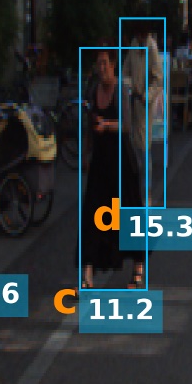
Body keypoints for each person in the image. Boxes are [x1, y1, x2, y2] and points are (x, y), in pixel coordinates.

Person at [81, 49, 140, 289]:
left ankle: (138, 268)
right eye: (99, 64)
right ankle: (87, 273)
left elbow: (127, 125)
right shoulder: (93, 90)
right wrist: (86, 152)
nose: (102, 68)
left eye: (105, 63)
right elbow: (89, 124)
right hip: (100, 161)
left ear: (113, 65)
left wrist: (106, 125)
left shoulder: (121, 90)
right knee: (93, 213)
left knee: (128, 213)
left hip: (121, 160)